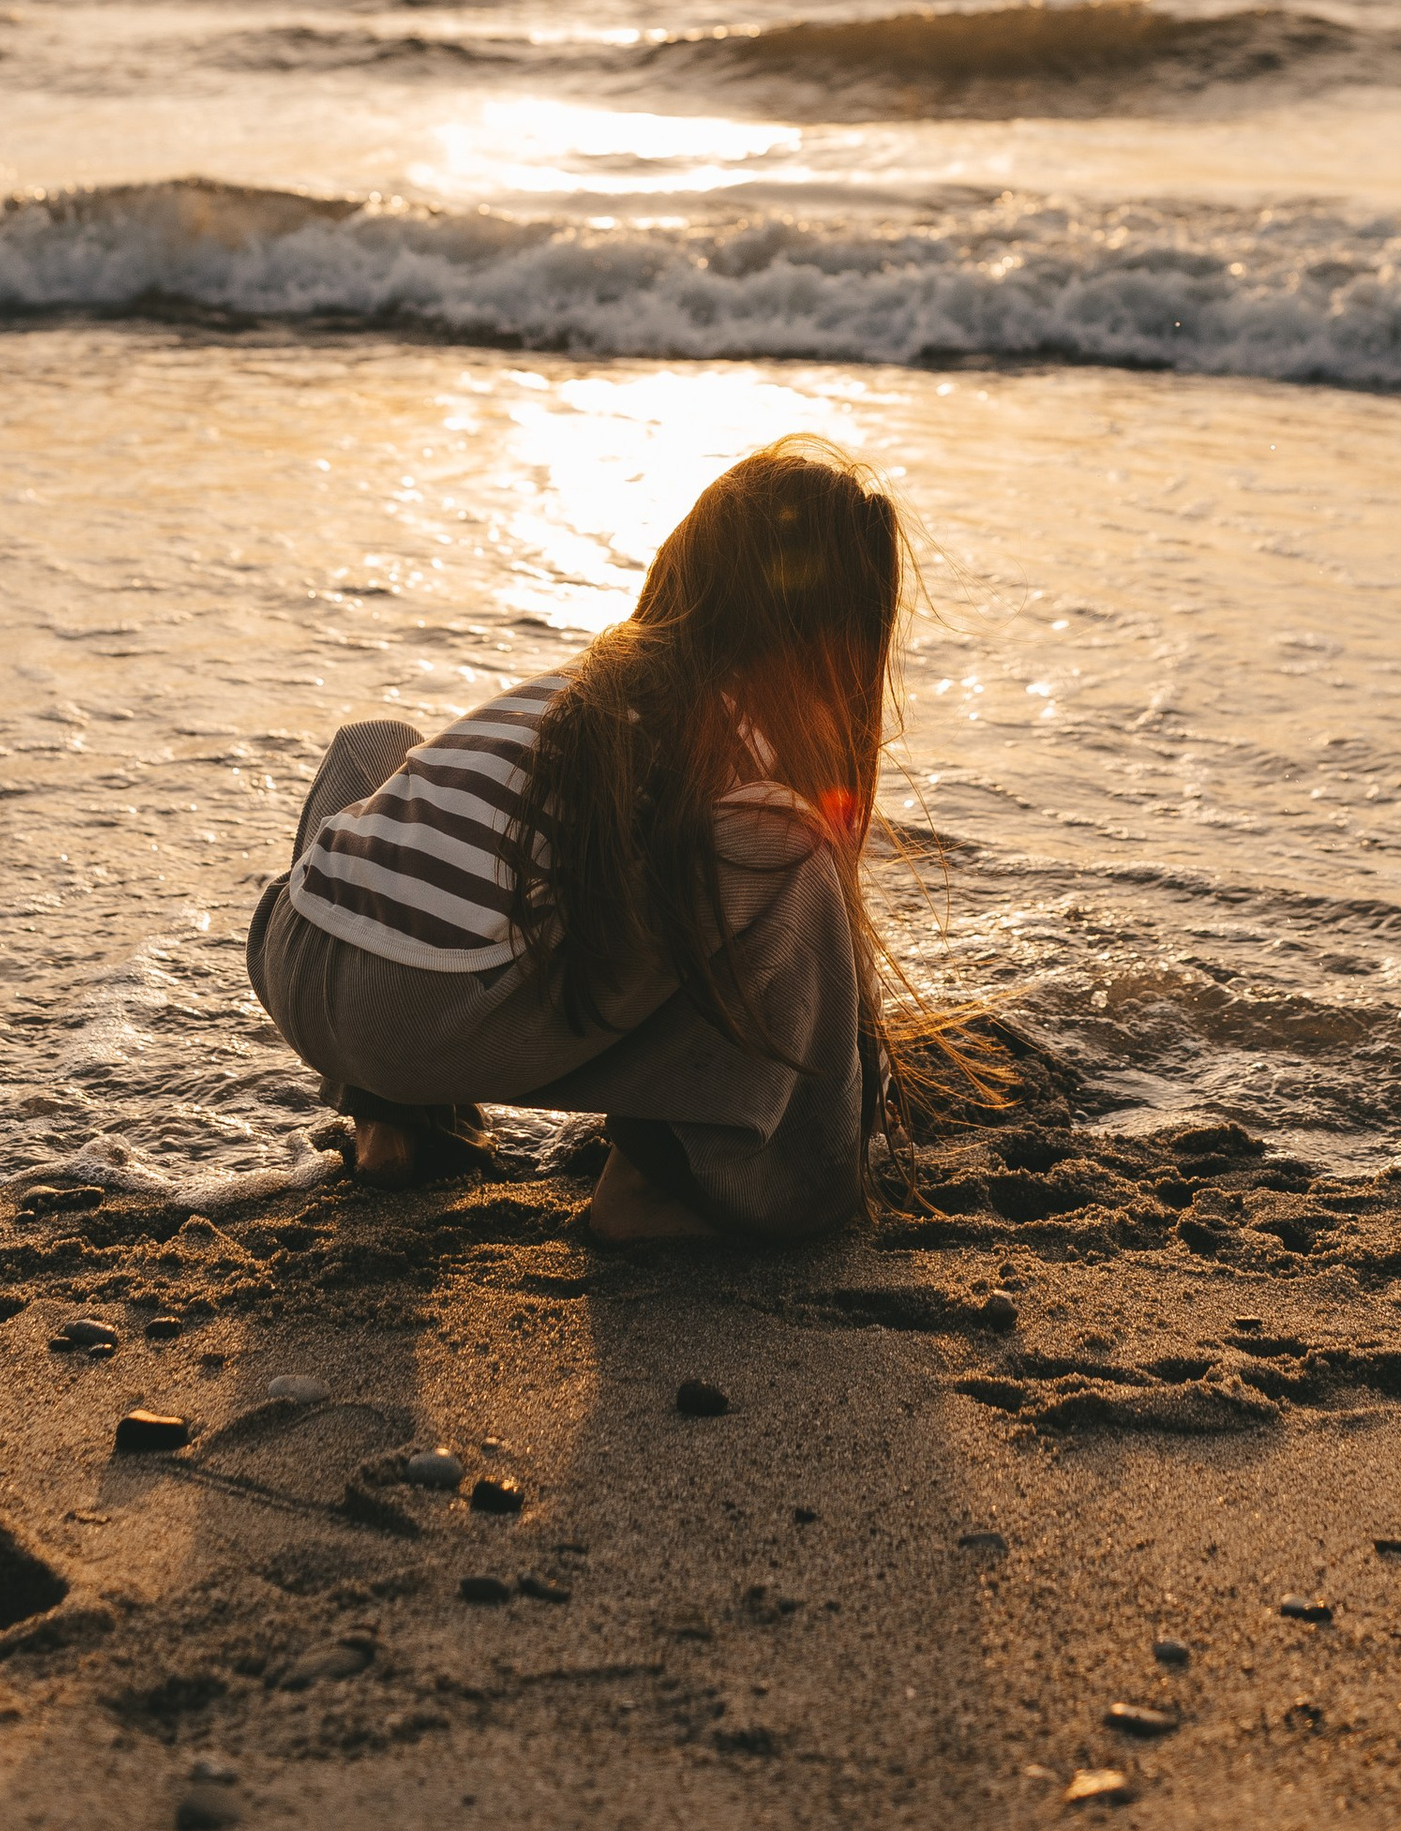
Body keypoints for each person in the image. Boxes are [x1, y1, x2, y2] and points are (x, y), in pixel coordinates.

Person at [245, 435, 925, 1243]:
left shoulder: (573, 691)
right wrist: (848, 1112)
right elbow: (806, 948)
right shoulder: (740, 738)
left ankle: (391, 1124)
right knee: (791, 856)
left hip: (296, 953)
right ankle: (660, 1182)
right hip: (426, 1018)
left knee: (373, 744)